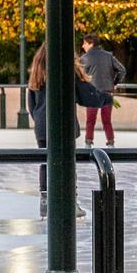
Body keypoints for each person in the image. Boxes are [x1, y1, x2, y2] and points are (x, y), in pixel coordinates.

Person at [28, 43, 86, 219]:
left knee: (46, 163)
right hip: (65, 124)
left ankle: (45, 202)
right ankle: (72, 201)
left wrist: (39, 119)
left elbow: (31, 103)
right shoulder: (69, 72)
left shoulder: (37, 74)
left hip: (43, 125)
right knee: (69, 162)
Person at [79, 37, 125, 146]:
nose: (83, 46)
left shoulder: (84, 58)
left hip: (92, 92)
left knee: (90, 120)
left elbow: (80, 76)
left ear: (91, 44)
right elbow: (122, 70)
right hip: (107, 91)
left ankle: (88, 142)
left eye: (84, 43)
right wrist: (114, 82)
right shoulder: (108, 56)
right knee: (107, 120)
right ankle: (110, 142)